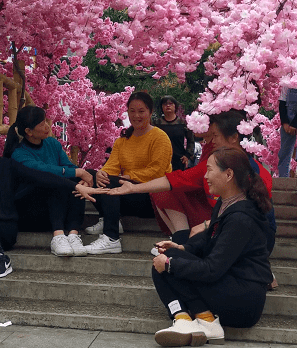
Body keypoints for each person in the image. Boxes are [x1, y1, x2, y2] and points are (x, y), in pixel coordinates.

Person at [151, 147, 273, 347]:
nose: (205, 176)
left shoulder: (241, 218)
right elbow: (209, 239)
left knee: (167, 267)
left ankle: (196, 319)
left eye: (209, 170)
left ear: (229, 174)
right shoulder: (227, 204)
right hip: (229, 286)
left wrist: (171, 264)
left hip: (242, 301)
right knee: (164, 261)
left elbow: (212, 269)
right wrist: (182, 249)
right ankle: (186, 318)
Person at [108, 110, 276, 254]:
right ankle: (181, 241)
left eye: (216, 135)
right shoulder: (214, 164)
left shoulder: (256, 172)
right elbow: (178, 179)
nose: (213, 141)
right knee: (163, 192)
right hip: (219, 226)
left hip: (250, 235)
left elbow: (252, 215)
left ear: (233, 138)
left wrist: (204, 226)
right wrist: (133, 188)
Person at [83, 91, 173, 255]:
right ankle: (110, 218)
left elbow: (158, 171)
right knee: (90, 174)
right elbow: (112, 166)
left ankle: (111, 238)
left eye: (141, 111)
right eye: (132, 111)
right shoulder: (123, 140)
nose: (136, 115)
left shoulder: (160, 137)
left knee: (112, 182)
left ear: (151, 112)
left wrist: (130, 177)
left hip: (151, 197)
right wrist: (101, 173)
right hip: (127, 191)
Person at [4, 106, 94, 257]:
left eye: (46, 121)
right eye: (41, 124)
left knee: (76, 178)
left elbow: (69, 167)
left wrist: (82, 176)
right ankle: (58, 236)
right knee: (54, 180)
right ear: (28, 131)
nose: (47, 126)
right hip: (31, 212)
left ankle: (73, 234)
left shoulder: (53, 144)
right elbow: (44, 171)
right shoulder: (19, 154)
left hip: (56, 208)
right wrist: (78, 172)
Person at [154, 96, 195, 171]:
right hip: (160, 160)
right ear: (162, 107)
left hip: (179, 160)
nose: (168, 106)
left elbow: (191, 140)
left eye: (170, 103)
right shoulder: (156, 123)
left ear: (175, 106)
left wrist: (187, 155)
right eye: (165, 104)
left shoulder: (183, 123)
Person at [278, 86, 297, 177]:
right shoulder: (287, 80)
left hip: (292, 122)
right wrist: (285, 122)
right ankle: (283, 180)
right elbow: (282, 101)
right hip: (288, 121)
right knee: (284, 153)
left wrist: (295, 124)